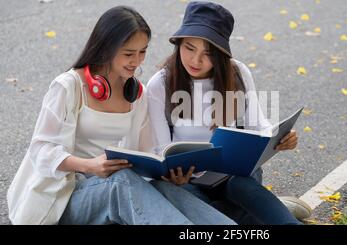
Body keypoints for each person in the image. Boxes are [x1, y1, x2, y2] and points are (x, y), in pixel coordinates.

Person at [6, 5, 236, 225]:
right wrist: (88, 166)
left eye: (142, 52)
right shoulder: (68, 86)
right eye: (128, 53)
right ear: (106, 48)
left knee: (163, 188)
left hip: (108, 189)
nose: (136, 61)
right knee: (121, 181)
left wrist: (169, 173)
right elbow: (41, 150)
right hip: (62, 199)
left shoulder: (136, 93)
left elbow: (148, 154)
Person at [146, 1, 311, 225]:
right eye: (189, 48)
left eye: (208, 53)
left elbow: (259, 127)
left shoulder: (237, 73)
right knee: (178, 198)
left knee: (240, 185)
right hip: (188, 183)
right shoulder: (160, 84)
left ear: (221, 54)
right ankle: (272, 210)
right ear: (179, 44)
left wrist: (281, 138)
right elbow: (160, 148)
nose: (196, 60)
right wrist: (172, 175)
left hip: (235, 176)